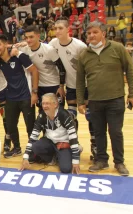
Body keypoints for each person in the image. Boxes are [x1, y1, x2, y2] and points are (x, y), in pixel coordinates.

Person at [76, 21, 133, 176]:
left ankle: (119, 162)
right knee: (98, 132)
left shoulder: (117, 48)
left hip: (115, 99)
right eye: (89, 33)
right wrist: (80, 101)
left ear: (103, 33)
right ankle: (101, 160)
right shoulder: (84, 55)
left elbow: (130, 70)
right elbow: (79, 81)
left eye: (95, 32)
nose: (91, 35)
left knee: (116, 132)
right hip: (95, 101)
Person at [48, 17, 94, 160]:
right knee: (71, 118)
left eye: (60, 28)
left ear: (68, 29)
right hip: (71, 86)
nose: (57, 31)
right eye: (55, 28)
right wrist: (61, 85)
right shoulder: (53, 43)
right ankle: (75, 145)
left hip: (87, 86)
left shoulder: (79, 46)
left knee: (91, 117)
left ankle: (96, 148)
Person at [0, 34, 39, 159]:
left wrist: (34, 93)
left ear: (5, 44)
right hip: (10, 98)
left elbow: (34, 71)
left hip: (26, 97)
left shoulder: (20, 56)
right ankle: (17, 148)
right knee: (11, 125)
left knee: (30, 126)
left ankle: (33, 150)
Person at [20, 93, 81, 174]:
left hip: (63, 144)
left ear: (55, 104)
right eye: (43, 103)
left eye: (47, 103)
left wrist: (76, 161)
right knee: (36, 146)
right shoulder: (41, 116)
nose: (44, 106)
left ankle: (75, 150)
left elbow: (73, 138)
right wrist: (25, 158)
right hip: (50, 142)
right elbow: (33, 137)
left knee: (66, 169)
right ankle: (54, 157)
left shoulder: (64, 115)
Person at [15, 26, 66, 112]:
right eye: (26, 38)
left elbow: (61, 68)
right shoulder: (24, 49)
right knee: (42, 114)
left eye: (31, 37)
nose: (28, 40)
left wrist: (61, 86)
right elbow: (6, 46)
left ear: (38, 36)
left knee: (58, 113)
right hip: (39, 87)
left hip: (54, 86)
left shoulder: (49, 50)